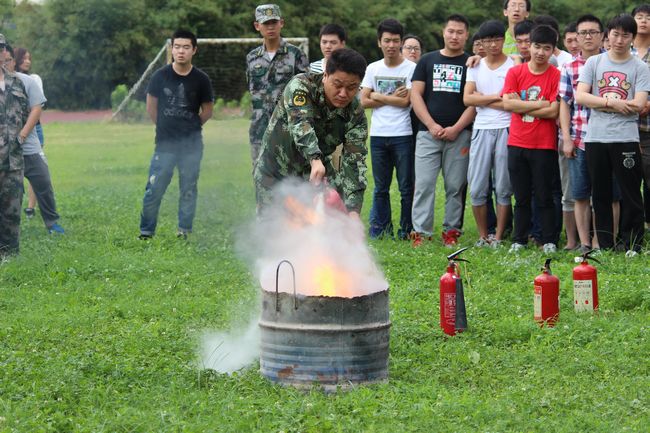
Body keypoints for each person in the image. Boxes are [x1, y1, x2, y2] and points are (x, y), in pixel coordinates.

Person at [254, 48, 368, 217]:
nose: (343, 94)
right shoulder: (301, 87)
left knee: (335, 219)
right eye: (337, 85)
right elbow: (301, 124)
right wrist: (315, 158)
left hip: (316, 173)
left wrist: (353, 211)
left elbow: (355, 161)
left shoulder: (355, 113)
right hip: (276, 170)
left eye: (352, 87)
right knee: (275, 224)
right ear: (325, 75)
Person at [576, 14, 650, 255]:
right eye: (615, 34)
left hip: (626, 138)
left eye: (625, 35)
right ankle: (605, 244)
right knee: (600, 193)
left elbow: (639, 104)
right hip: (596, 138)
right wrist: (612, 103)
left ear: (632, 37)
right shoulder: (594, 62)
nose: (619, 40)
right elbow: (581, 96)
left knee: (630, 193)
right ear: (607, 35)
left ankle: (632, 244)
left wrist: (599, 102)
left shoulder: (640, 67)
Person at [139, 29, 214, 240]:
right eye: (177, 47)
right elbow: (151, 107)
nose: (181, 51)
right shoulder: (160, 76)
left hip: (192, 146)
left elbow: (207, 111)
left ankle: (184, 231)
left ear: (194, 50)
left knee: (188, 189)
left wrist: (191, 127)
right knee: (154, 188)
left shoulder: (201, 79)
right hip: (165, 144)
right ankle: (146, 232)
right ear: (172, 49)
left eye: (186, 47)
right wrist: (165, 126)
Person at [410, 14, 475, 247]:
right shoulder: (427, 61)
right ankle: (421, 232)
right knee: (424, 184)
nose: (454, 36)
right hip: (428, 134)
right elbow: (415, 95)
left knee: (455, 186)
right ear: (443, 32)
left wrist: (456, 128)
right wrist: (431, 125)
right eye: (451, 31)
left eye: (460, 32)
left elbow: (474, 102)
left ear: (466, 35)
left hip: (460, 135)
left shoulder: (471, 63)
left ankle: (452, 231)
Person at [502, 24, 561, 254]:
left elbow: (554, 111)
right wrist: (540, 104)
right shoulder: (515, 72)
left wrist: (521, 104)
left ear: (553, 50)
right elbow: (507, 104)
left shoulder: (556, 75)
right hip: (517, 142)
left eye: (546, 48)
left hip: (544, 144)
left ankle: (549, 239)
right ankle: (519, 239)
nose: (540, 52)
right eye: (537, 46)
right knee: (521, 196)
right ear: (529, 45)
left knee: (544, 195)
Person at [361, 18, 416, 240]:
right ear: (379, 42)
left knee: (406, 188)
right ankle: (381, 229)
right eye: (387, 40)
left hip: (403, 134)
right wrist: (391, 97)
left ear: (401, 42)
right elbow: (363, 101)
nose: (391, 45)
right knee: (380, 188)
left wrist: (377, 95)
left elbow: (406, 102)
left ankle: (406, 230)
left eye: (395, 40)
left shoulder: (411, 68)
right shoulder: (372, 68)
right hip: (378, 135)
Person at [560, 14, 608, 253]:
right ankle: (584, 242)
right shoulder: (569, 67)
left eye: (593, 32)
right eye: (583, 33)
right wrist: (567, 139)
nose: (588, 37)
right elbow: (564, 104)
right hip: (579, 138)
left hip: (608, 139)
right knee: (580, 194)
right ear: (577, 37)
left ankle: (601, 241)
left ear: (602, 35)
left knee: (606, 194)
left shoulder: (612, 62)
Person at [463, 20, 514, 247]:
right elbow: (467, 99)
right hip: (481, 130)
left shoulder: (513, 65)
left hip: (506, 128)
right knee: (477, 186)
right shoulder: (475, 66)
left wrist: (481, 98)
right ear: (481, 43)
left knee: (503, 187)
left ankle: (499, 236)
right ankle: (483, 236)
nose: (493, 44)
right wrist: (496, 97)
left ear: (503, 39)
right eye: (488, 40)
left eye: (497, 39)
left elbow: (510, 104)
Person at [5, 45, 64, 234]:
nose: (5, 64)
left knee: (43, 181)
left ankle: (52, 223)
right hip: (4, 150)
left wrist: (22, 135)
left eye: (8, 60)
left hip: (28, 145)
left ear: (14, 61)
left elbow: (37, 109)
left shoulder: (27, 81)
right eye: (1, 61)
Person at [246, 4, 308, 170]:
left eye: (274, 22)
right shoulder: (252, 58)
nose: (270, 27)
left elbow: (305, 91)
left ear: (281, 23)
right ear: (257, 26)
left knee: (290, 176)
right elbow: (252, 91)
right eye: (266, 23)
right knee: (261, 174)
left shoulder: (296, 54)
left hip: (288, 127)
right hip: (259, 127)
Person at [0, 34, 30, 257]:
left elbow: (26, 114)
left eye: (3, 47)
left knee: (12, 210)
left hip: (14, 160)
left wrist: (21, 137)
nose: (2, 51)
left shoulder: (16, 82)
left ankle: (10, 256)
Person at [14, 47, 44, 220]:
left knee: (36, 170)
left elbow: (37, 106)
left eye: (29, 58)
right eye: (24, 58)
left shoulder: (34, 79)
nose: (27, 61)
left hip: (34, 129)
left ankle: (31, 207)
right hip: (11, 131)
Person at [632, 4, 650, 232]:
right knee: (628, 181)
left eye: (648, 17)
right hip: (624, 127)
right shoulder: (622, 49)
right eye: (639, 17)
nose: (644, 20)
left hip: (648, 128)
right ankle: (631, 226)